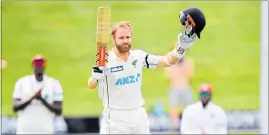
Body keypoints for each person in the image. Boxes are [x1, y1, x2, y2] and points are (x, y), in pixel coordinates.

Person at [88, 8, 206, 134]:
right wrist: (95, 77)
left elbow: (168, 61)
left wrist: (181, 47)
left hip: (138, 116)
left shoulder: (138, 57)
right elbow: (91, 85)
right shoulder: (106, 60)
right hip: (115, 119)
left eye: (128, 37)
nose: (125, 41)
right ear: (113, 39)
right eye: (121, 37)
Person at [12, 55, 64, 134]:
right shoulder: (22, 82)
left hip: (45, 130)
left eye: (41, 64)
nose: (38, 66)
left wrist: (42, 100)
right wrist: (32, 98)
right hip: (24, 131)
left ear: (44, 66)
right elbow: (15, 107)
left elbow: (59, 110)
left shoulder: (54, 84)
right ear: (32, 66)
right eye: (36, 64)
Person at [165, 56, 195, 130]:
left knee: (189, 109)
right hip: (174, 88)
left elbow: (190, 74)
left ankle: (190, 125)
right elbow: (168, 76)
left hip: (186, 88)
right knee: (174, 109)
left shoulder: (188, 62)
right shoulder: (170, 63)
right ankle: (174, 126)